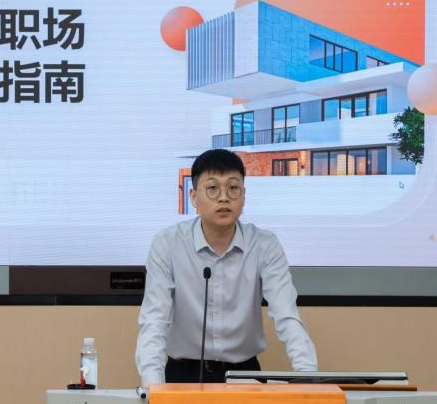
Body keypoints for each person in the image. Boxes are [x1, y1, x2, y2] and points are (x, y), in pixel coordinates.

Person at [135, 149, 318, 385]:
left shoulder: (264, 244)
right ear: (193, 197)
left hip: (244, 374)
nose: (224, 198)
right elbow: (155, 321)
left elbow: (286, 315)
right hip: (183, 374)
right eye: (212, 188)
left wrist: (308, 378)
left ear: (244, 195)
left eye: (233, 188)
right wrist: (153, 388)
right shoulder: (168, 244)